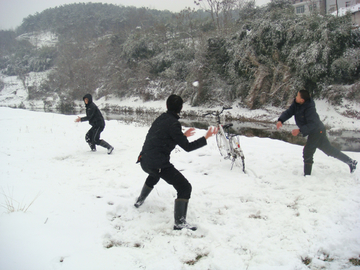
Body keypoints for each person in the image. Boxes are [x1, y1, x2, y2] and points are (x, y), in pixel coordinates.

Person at [134, 94, 218, 231]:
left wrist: (182, 135)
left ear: (167, 106)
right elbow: (188, 147)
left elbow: (163, 138)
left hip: (144, 161)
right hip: (157, 163)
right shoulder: (173, 123)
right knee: (184, 187)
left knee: (154, 174)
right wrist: (206, 137)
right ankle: (179, 223)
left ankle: (139, 201)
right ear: (181, 108)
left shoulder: (161, 119)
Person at [276, 90, 357, 176]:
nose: (296, 97)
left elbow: (313, 124)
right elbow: (289, 112)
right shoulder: (296, 103)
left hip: (317, 131)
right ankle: (351, 162)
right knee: (329, 150)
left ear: (302, 100)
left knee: (308, 151)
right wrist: (281, 120)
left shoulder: (310, 109)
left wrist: (299, 130)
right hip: (315, 131)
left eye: (297, 96)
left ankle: (307, 176)